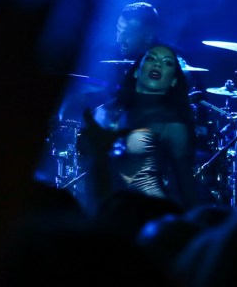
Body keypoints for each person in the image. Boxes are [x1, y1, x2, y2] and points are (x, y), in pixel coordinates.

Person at [80, 43, 200, 210]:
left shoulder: (173, 125)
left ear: (173, 81)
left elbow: (186, 186)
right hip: (102, 212)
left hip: (145, 215)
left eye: (167, 62)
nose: (158, 64)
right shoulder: (104, 112)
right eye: (151, 58)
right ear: (137, 71)